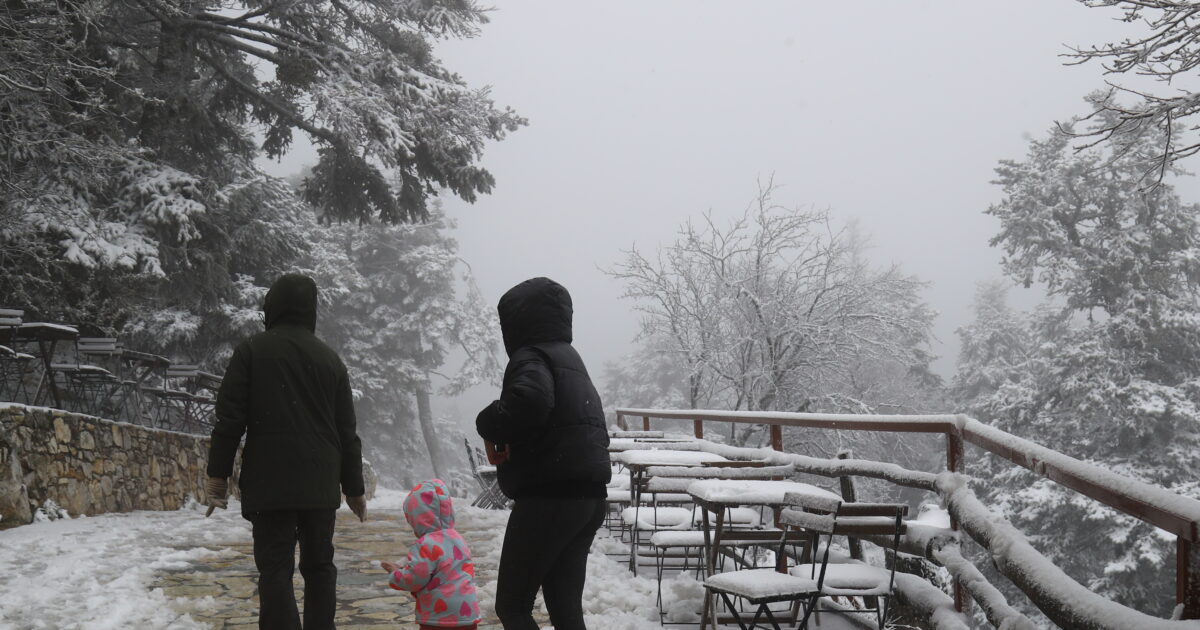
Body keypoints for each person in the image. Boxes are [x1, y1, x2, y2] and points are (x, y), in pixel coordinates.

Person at [205, 273, 367, 630]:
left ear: (272, 308)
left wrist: (217, 476)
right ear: (311, 311)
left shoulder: (251, 352)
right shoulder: (330, 360)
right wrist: (353, 487)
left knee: (275, 569)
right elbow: (346, 432)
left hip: (270, 481)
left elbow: (229, 420)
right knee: (320, 566)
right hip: (320, 483)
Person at [475, 277, 611, 630]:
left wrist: (488, 420)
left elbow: (530, 402)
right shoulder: (570, 359)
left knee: (513, 606)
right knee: (566, 611)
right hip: (589, 498)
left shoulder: (530, 355)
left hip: (550, 498)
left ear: (517, 322)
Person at [380, 479, 481, 630]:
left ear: (420, 520)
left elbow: (415, 578)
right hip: (467, 614)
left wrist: (395, 573)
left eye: (413, 522)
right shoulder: (459, 539)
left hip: (438, 617)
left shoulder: (425, 543)